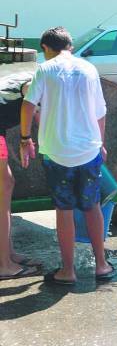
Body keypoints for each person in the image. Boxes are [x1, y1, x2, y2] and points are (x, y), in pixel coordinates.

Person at [19, 27, 115, 284]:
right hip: (88, 150)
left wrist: (25, 138)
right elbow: (101, 113)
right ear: (70, 46)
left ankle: (68, 271)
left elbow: (28, 105)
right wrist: (101, 144)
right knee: (93, 206)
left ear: (46, 48)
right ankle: (102, 266)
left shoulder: (45, 69)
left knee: (64, 210)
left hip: (57, 153)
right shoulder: (89, 69)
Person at [0, 73, 43, 279]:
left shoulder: (28, 80)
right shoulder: (31, 84)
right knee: (2, 192)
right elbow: (35, 112)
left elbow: (37, 115)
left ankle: (8, 254)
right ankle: (4, 264)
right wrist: (26, 139)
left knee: (7, 185)